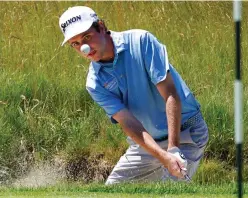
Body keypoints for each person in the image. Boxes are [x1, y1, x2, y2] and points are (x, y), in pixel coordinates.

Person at [59, 6, 208, 185]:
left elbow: (170, 94)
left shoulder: (141, 41)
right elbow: (129, 123)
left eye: (87, 37)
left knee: (171, 189)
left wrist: (173, 149)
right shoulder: (94, 83)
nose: (84, 48)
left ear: (101, 26)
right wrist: (162, 155)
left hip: (186, 133)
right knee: (112, 190)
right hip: (147, 145)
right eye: (75, 43)